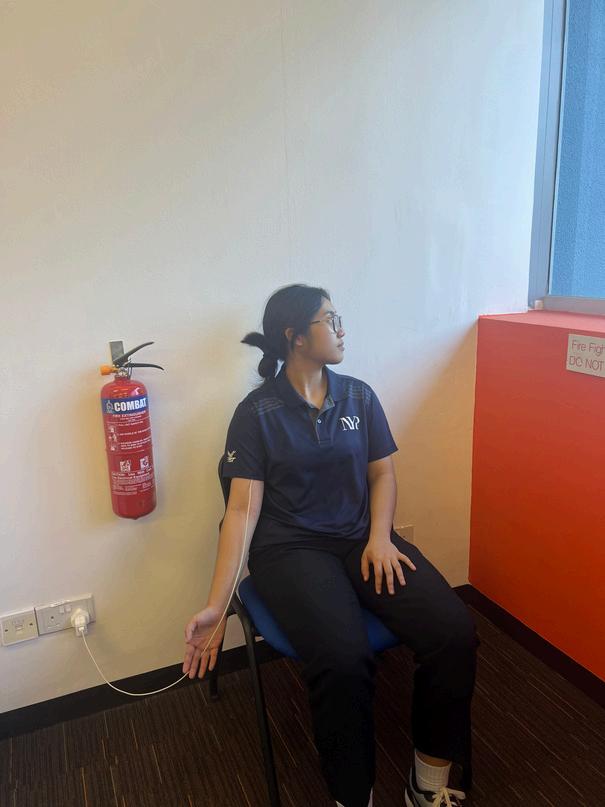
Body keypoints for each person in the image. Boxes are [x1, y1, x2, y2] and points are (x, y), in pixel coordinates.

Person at [183, 284, 479, 807]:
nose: (342, 329)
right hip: (289, 552)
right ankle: (352, 795)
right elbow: (242, 512)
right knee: (343, 659)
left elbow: (382, 475)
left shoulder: (359, 396)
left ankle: (428, 785)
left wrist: (381, 537)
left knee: (454, 632)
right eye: (330, 319)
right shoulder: (256, 414)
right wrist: (216, 602)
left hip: (361, 540)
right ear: (296, 336)